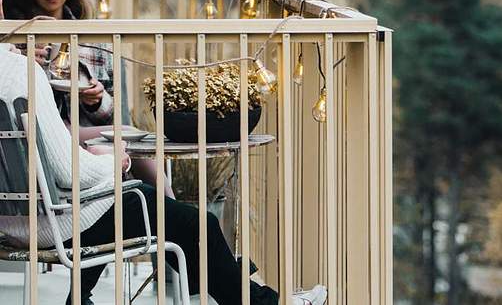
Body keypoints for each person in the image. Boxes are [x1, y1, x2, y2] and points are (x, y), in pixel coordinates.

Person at [0, 45, 327, 304]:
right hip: (57, 222)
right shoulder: (20, 73)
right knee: (197, 224)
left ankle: (243, 288)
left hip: (14, 222)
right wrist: (113, 160)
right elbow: (69, 172)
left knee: (161, 215)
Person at [0, 0, 173, 198]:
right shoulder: (13, 35)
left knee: (130, 138)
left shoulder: (92, 39)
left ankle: (169, 204)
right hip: (38, 136)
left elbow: (112, 115)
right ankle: (169, 208)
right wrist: (21, 61)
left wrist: (96, 100)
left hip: (81, 136)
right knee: (124, 137)